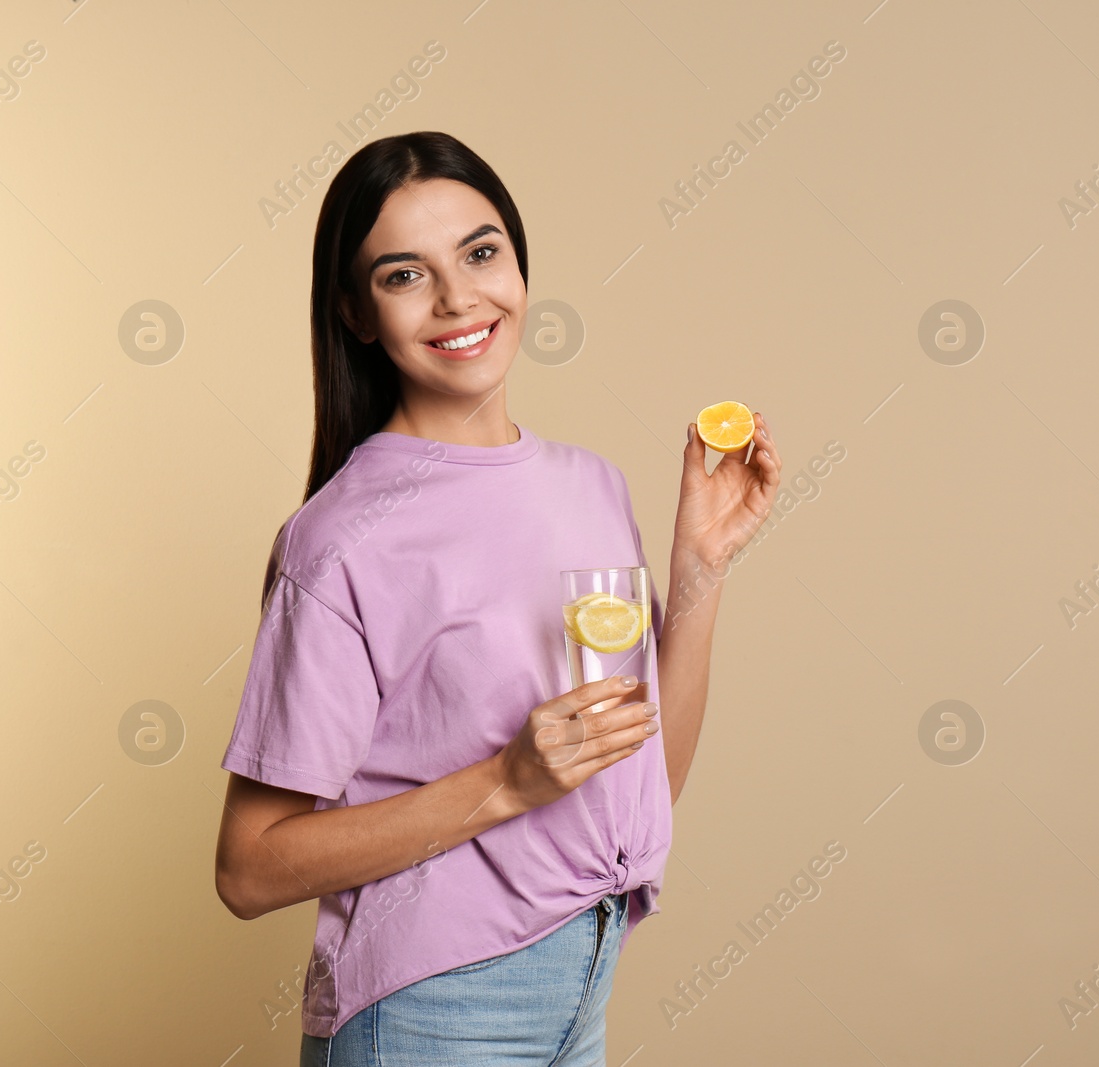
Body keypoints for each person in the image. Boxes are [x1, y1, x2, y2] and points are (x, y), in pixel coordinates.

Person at [212, 131, 780, 1066]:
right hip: (431, 1012)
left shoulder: (590, 485)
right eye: (405, 275)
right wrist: (504, 783)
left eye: (480, 253)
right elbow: (249, 867)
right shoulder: (342, 537)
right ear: (357, 312)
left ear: (519, 265)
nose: (458, 298)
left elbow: (645, 786)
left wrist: (700, 568)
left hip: (583, 990)